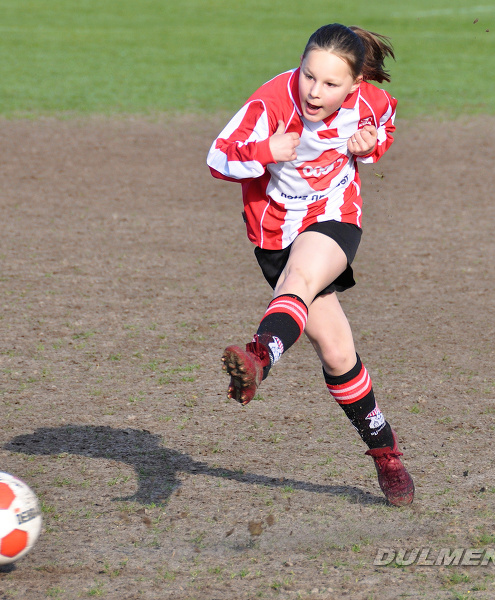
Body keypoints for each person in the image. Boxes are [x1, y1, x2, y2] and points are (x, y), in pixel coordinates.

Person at [205, 23, 414, 506]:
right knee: (339, 354)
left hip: (335, 217)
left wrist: (370, 146)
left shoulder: (369, 102)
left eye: (331, 84)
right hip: (275, 233)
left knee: (301, 277)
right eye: (309, 76)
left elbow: (385, 126)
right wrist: (265, 152)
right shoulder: (271, 102)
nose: (315, 91)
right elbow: (218, 157)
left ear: (355, 85)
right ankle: (386, 452)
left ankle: (261, 355)